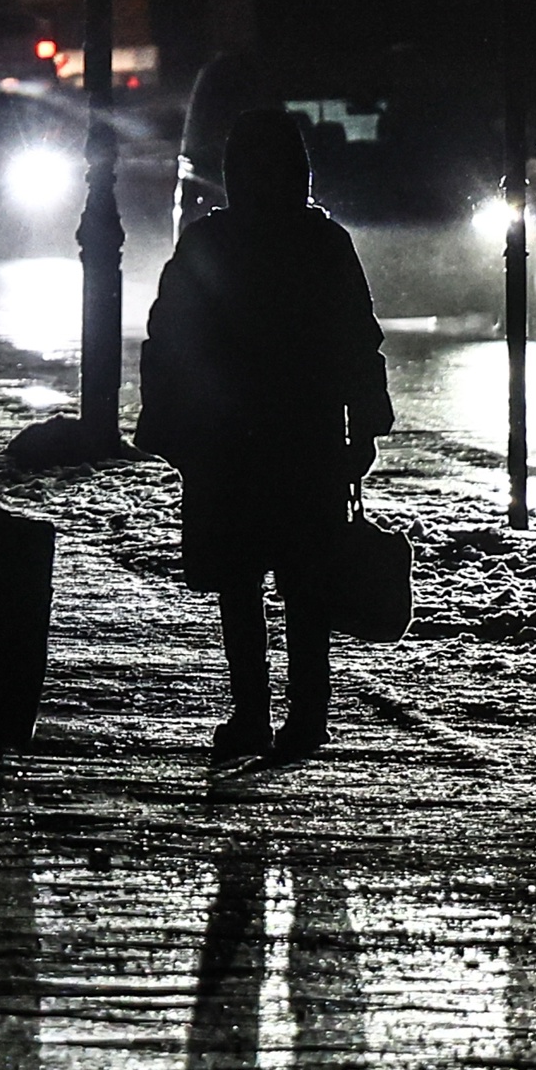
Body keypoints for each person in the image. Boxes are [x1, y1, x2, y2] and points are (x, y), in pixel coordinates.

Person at [137, 108, 394, 762]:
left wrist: (168, 421)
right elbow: (356, 339)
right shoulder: (322, 241)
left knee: (241, 581)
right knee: (303, 585)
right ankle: (305, 718)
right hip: (304, 437)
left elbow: (168, 338)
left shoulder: (208, 243)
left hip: (230, 441)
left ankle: (251, 714)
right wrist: (365, 421)